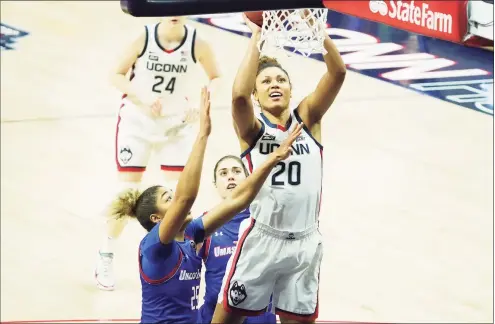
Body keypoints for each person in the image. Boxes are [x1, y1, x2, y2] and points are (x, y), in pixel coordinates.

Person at [108, 87, 303, 323]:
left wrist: (274, 158)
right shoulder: (154, 248)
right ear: (157, 219)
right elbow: (185, 198)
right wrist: (202, 135)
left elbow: (238, 199)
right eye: (168, 199)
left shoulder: (191, 234)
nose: (177, 200)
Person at [211, 13, 346, 324]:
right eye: (266, 81)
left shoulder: (309, 118)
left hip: (305, 243)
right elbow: (237, 96)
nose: (275, 85)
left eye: (281, 80)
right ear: (257, 96)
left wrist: (316, 30)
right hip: (262, 240)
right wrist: (257, 37)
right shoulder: (253, 131)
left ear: (290, 88)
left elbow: (337, 73)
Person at [95, 16, 220, 291]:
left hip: (176, 124)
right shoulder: (145, 36)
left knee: (179, 198)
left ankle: (182, 261)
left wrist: (200, 104)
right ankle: (106, 255)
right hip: (138, 121)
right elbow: (116, 75)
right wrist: (142, 97)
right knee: (126, 192)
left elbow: (216, 77)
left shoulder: (198, 42)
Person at [197, 155, 276, 324]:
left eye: (236, 171)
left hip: (260, 317)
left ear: (248, 178)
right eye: (223, 173)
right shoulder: (204, 224)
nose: (230, 176)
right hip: (213, 316)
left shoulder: (267, 220)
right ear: (216, 185)